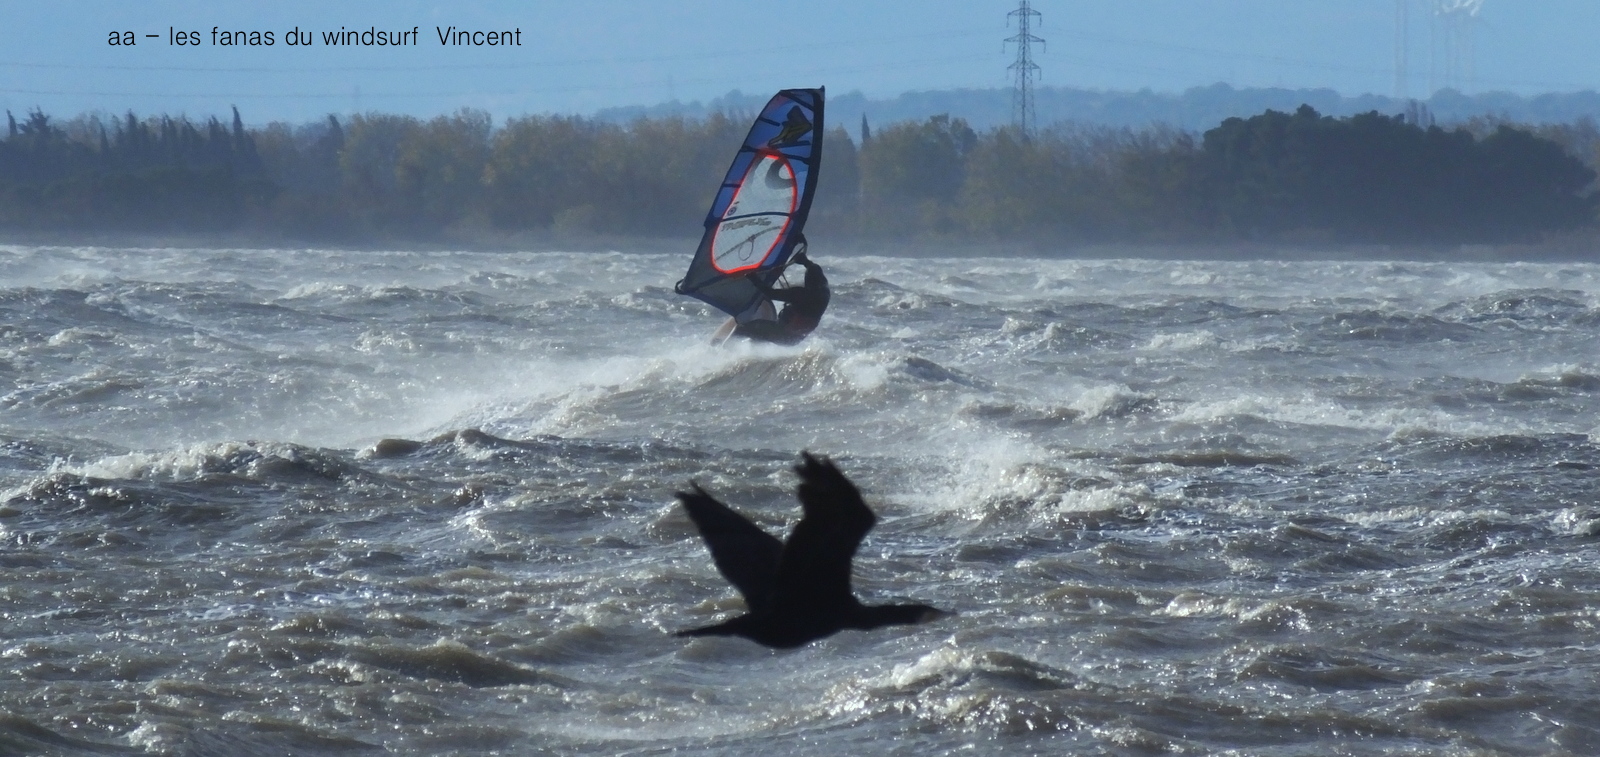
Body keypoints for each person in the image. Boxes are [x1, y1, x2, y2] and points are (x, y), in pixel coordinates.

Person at [731, 236, 830, 345]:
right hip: (795, 340)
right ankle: (753, 349)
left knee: (742, 329)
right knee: (758, 332)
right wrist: (806, 262)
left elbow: (771, 294)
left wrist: (753, 278)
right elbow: (814, 269)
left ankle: (723, 350)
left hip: (782, 334)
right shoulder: (824, 292)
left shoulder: (802, 294)